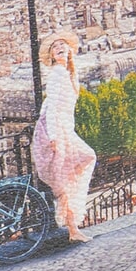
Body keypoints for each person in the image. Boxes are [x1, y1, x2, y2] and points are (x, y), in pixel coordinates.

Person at [31, 30, 97, 242]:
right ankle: (72, 228)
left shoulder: (68, 75)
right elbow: (51, 109)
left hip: (62, 129)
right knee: (80, 165)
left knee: (67, 177)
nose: (59, 47)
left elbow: (57, 108)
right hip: (56, 131)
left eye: (62, 44)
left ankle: (72, 227)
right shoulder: (58, 74)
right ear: (51, 56)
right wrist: (53, 137)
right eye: (54, 47)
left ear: (69, 49)